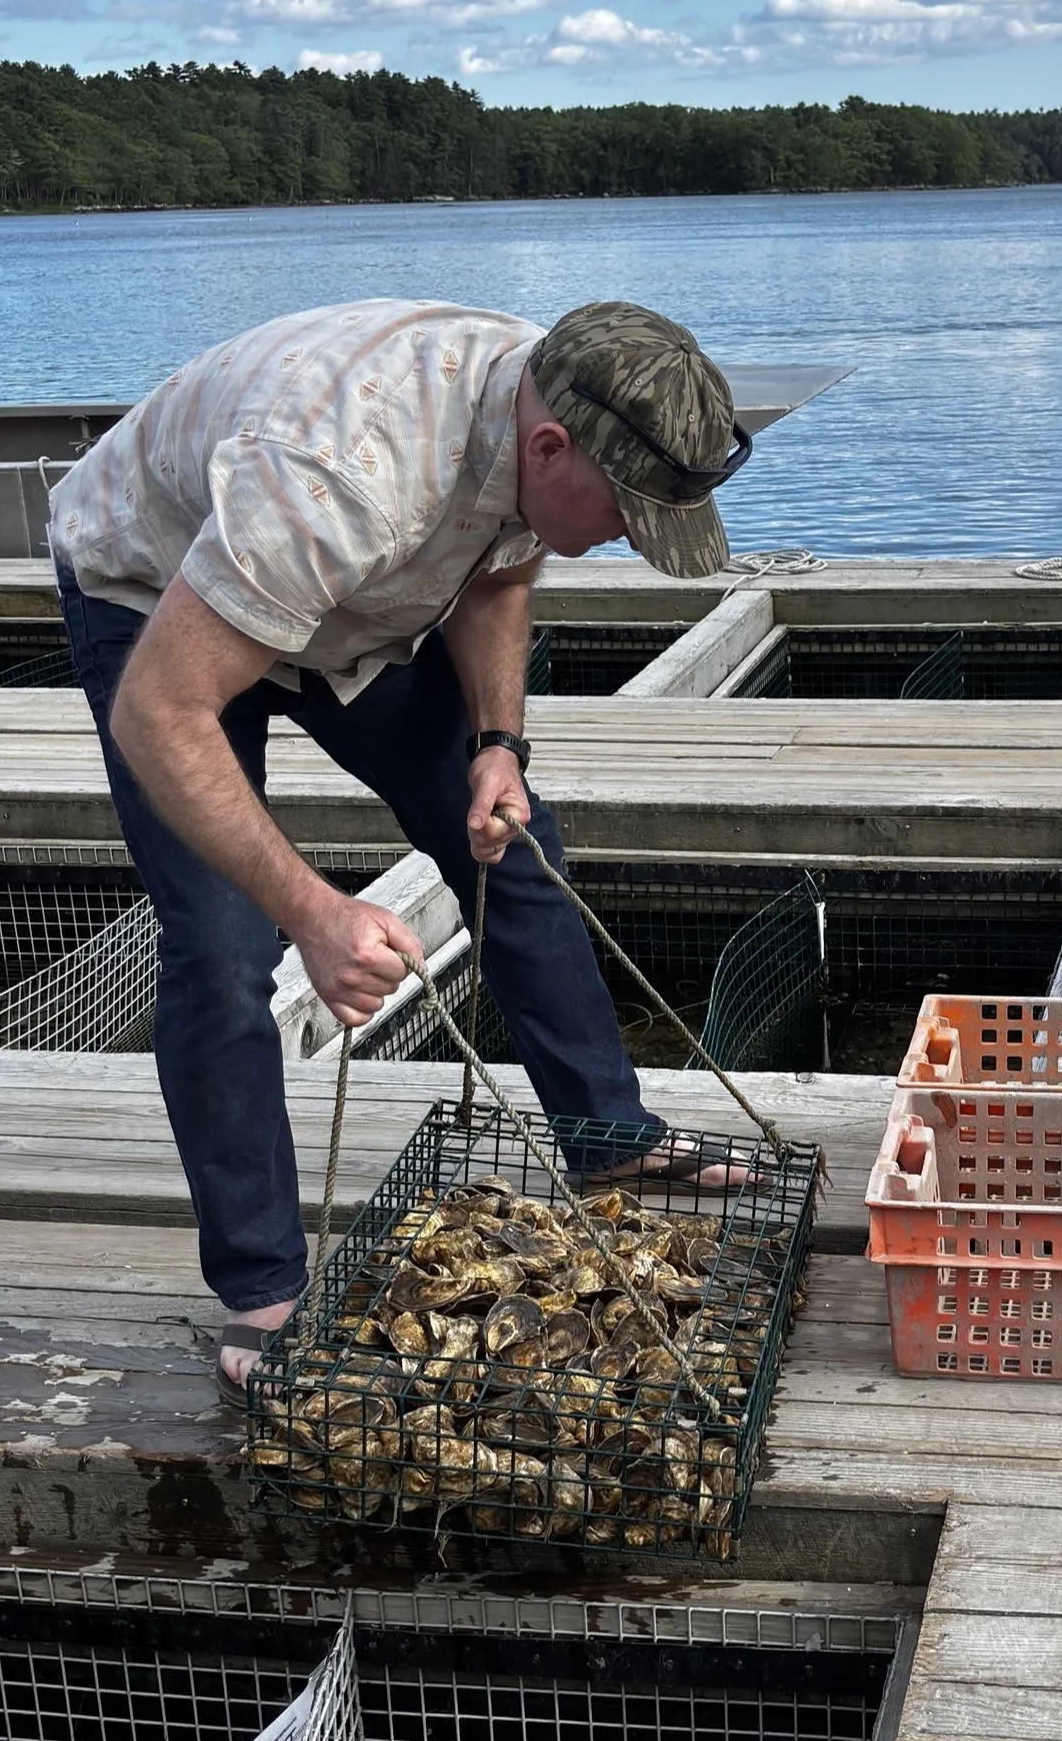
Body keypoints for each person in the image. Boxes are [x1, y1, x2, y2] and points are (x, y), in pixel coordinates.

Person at [46, 297, 754, 1406]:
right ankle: (263, 1287)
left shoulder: (551, 394)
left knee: (512, 839)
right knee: (224, 950)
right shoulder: (337, 475)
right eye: (627, 514)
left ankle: (605, 1134)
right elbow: (161, 712)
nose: (628, 537)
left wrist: (497, 744)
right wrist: (312, 911)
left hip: (348, 599)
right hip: (156, 600)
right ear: (548, 447)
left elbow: (501, 571)